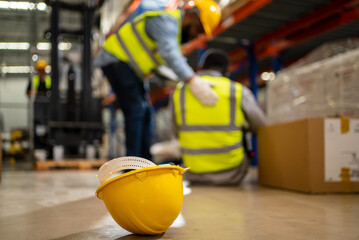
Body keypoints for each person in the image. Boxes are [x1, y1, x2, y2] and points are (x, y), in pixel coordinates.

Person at [94, 0, 222, 160]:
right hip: (116, 59)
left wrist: (183, 80)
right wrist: (192, 80)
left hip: (129, 67)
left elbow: (162, 65)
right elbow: (170, 55)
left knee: (146, 111)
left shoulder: (172, 35)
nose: (196, 35)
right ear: (191, 15)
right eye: (199, 28)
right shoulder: (166, 21)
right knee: (136, 110)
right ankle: (132, 166)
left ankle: (145, 163)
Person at [170, 49, 267, 185]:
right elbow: (261, 126)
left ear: (201, 67)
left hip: (192, 172)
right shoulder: (237, 90)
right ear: (226, 71)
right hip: (232, 173)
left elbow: (174, 131)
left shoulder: (179, 92)